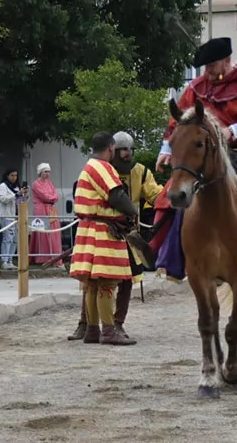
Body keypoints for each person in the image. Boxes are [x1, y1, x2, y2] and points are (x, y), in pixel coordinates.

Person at [131, 37, 237, 277]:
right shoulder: (197, 87)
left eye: (211, 66)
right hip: (200, 152)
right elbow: (178, 121)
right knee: (169, 192)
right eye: (205, 67)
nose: (207, 72)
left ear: (227, 61)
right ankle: (152, 247)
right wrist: (166, 150)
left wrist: (230, 131)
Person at [68, 131, 163, 341]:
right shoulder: (103, 168)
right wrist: (131, 212)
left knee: (113, 281)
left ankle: (107, 326)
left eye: (130, 149)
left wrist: (171, 197)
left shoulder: (140, 172)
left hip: (121, 233)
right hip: (106, 231)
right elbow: (117, 196)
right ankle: (101, 329)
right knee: (104, 282)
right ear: (112, 148)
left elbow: (155, 193)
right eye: (123, 150)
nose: (127, 154)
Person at [0, 169, 26, 270]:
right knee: (7, 238)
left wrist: (24, 194)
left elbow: (21, 201)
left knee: (15, 239)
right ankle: (4, 260)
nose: (14, 178)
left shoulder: (17, 187)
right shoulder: (3, 186)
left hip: (16, 216)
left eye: (16, 175)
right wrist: (16, 195)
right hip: (6, 215)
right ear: (7, 176)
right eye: (12, 175)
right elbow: (2, 198)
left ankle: (10, 260)